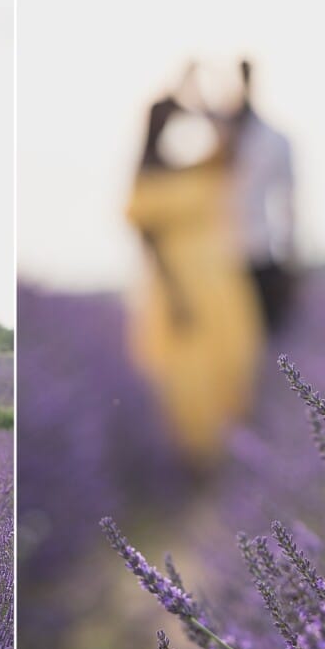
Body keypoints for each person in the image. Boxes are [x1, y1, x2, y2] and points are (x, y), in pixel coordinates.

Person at [124, 62, 265, 473]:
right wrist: (176, 294)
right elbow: (148, 243)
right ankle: (195, 468)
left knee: (232, 368)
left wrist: (200, 97)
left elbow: (230, 144)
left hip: (222, 285)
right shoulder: (149, 177)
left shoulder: (205, 169)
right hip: (177, 287)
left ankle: (232, 464)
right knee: (186, 382)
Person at [220, 58, 298, 334]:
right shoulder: (218, 138)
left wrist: (290, 254)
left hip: (259, 250)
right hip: (219, 258)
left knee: (267, 335)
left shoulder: (275, 139)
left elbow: (289, 200)